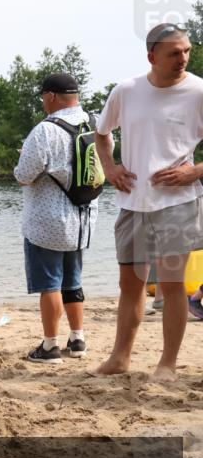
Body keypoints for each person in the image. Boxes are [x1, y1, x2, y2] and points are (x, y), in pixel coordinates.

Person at [94, 23, 203, 382]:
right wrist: (111, 168)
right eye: (175, 53)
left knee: (172, 285)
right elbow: (102, 133)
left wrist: (194, 172)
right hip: (133, 203)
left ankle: (167, 365)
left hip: (177, 204)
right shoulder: (126, 91)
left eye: (187, 51)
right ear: (152, 56)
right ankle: (120, 358)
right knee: (131, 284)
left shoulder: (199, 91)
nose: (183, 59)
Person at [13, 73, 98, 363]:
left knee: (49, 283)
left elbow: (24, 175)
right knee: (72, 281)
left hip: (48, 221)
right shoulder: (94, 123)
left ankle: (50, 346)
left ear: (50, 96)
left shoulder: (45, 131)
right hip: (83, 219)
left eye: (42, 98)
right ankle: (78, 339)